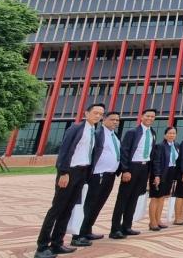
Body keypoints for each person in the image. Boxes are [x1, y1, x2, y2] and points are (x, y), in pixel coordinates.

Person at [34, 103, 104, 258]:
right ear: (86, 113)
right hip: (69, 172)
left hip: (82, 173)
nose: (98, 116)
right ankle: (42, 247)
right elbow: (65, 151)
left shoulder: (94, 131)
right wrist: (63, 172)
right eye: (95, 113)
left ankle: (57, 243)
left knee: (68, 209)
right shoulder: (76, 128)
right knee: (57, 209)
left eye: (101, 114)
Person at [110, 108, 157, 239]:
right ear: (141, 117)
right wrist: (125, 169)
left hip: (144, 168)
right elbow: (124, 151)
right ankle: (115, 229)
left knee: (134, 198)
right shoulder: (132, 132)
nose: (150, 118)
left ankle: (127, 226)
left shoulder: (152, 133)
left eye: (153, 117)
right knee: (123, 199)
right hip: (132, 167)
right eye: (148, 116)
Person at [75, 111, 120, 246]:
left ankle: (87, 230)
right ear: (103, 120)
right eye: (112, 119)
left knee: (98, 205)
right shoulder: (98, 133)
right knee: (89, 205)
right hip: (97, 175)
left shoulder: (114, 136)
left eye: (117, 120)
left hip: (109, 176)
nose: (115, 122)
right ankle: (78, 235)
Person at [147, 126, 178, 231]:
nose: (171, 135)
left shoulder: (176, 145)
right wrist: (156, 175)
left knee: (162, 197)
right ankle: (152, 222)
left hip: (170, 174)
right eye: (169, 133)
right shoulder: (160, 146)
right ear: (165, 135)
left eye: (174, 133)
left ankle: (158, 220)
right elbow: (156, 162)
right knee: (155, 198)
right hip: (160, 174)